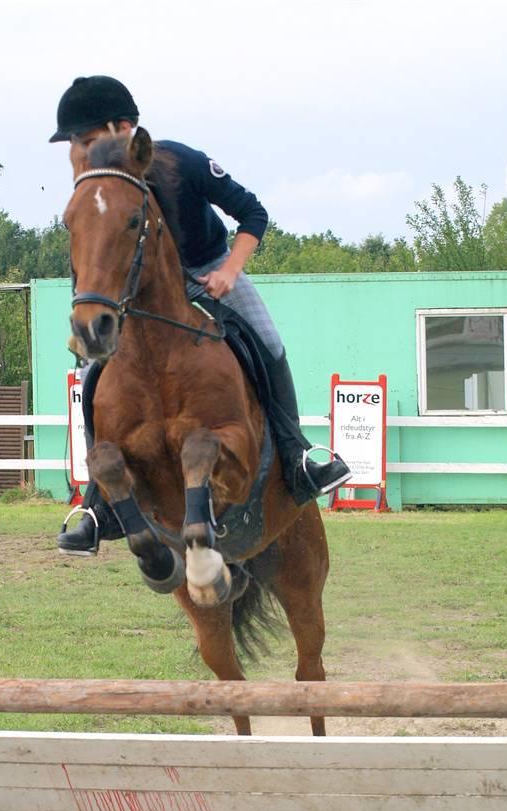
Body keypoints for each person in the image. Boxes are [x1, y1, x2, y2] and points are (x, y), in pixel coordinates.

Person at [51, 75, 351, 556]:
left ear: (122, 128)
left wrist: (231, 270)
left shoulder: (182, 162)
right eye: (74, 145)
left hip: (210, 268)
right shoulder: (97, 193)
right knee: (89, 373)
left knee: (267, 342)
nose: (80, 154)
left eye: (86, 141)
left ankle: (298, 457)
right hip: (139, 290)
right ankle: (96, 502)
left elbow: (253, 214)